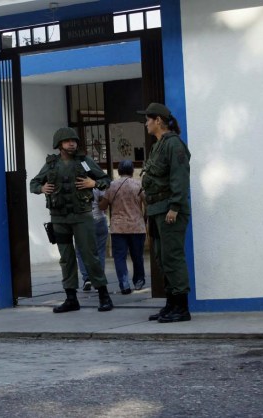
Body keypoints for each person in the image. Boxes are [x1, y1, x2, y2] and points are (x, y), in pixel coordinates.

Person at [30, 127, 113, 313]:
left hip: (82, 217)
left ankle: (104, 296)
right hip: (59, 219)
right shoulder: (51, 165)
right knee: (66, 259)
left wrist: (94, 183)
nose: (72, 143)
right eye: (68, 141)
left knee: (90, 256)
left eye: (74, 141)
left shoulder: (85, 162)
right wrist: (42, 188)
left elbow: (106, 180)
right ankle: (71, 298)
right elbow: (33, 183)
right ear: (59, 144)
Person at [137, 103, 192, 323]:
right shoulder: (157, 146)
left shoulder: (174, 145)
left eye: (148, 119)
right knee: (162, 257)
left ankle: (181, 308)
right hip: (157, 210)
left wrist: (175, 207)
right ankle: (171, 305)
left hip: (170, 210)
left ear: (158, 120)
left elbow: (180, 177)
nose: (146, 123)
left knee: (173, 257)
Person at [99, 159, 146, 294]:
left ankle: (124, 284)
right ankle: (138, 281)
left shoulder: (112, 186)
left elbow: (103, 206)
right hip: (137, 227)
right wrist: (145, 217)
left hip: (118, 228)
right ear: (132, 170)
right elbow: (147, 202)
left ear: (119, 171)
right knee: (137, 256)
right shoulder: (138, 185)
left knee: (119, 257)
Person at [76, 188, 108, 292]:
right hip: (99, 219)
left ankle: (87, 278)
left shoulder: (74, 183)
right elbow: (103, 204)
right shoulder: (97, 184)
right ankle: (99, 280)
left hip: (81, 221)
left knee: (81, 251)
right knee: (100, 251)